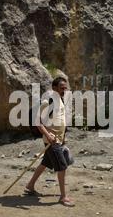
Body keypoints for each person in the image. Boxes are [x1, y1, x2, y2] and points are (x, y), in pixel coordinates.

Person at [25, 77, 75, 207]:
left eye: (65, 88)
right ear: (54, 88)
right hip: (52, 141)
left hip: (59, 139)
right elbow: (37, 121)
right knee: (62, 167)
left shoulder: (61, 99)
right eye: (62, 88)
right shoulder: (48, 101)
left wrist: (63, 137)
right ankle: (63, 197)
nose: (65, 90)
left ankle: (30, 186)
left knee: (45, 163)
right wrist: (48, 135)